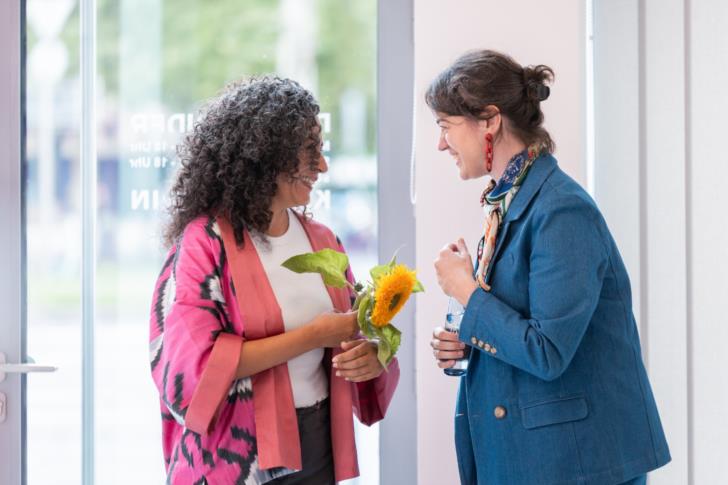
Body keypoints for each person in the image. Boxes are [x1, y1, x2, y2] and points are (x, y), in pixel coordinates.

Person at [428, 50, 670, 485]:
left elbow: (547, 351)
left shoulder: (561, 210)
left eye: (446, 126)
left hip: (578, 464)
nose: (441, 143)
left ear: (489, 120)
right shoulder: (511, 201)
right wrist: (470, 342)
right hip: (539, 457)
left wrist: (466, 291)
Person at [149, 76, 399, 485]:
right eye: (310, 151)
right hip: (235, 456)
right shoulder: (205, 243)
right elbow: (197, 366)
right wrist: (312, 336)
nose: (322, 166)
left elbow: (357, 332)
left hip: (318, 446)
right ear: (267, 153)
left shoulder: (323, 241)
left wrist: (373, 354)